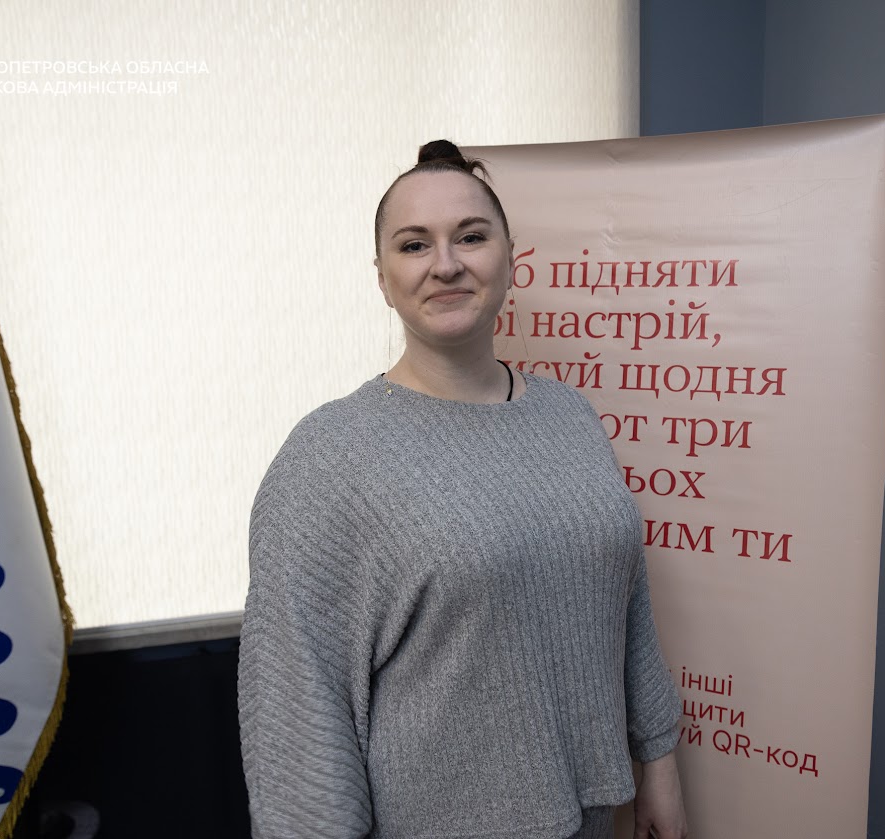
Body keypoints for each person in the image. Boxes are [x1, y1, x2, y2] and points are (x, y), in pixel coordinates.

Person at [238, 140, 687, 839]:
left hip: (595, 818)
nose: (445, 264)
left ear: (511, 258)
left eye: (471, 237)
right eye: (414, 244)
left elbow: (625, 598)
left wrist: (658, 758)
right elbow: (297, 711)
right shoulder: (328, 457)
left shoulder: (569, 415)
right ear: (382, 278)